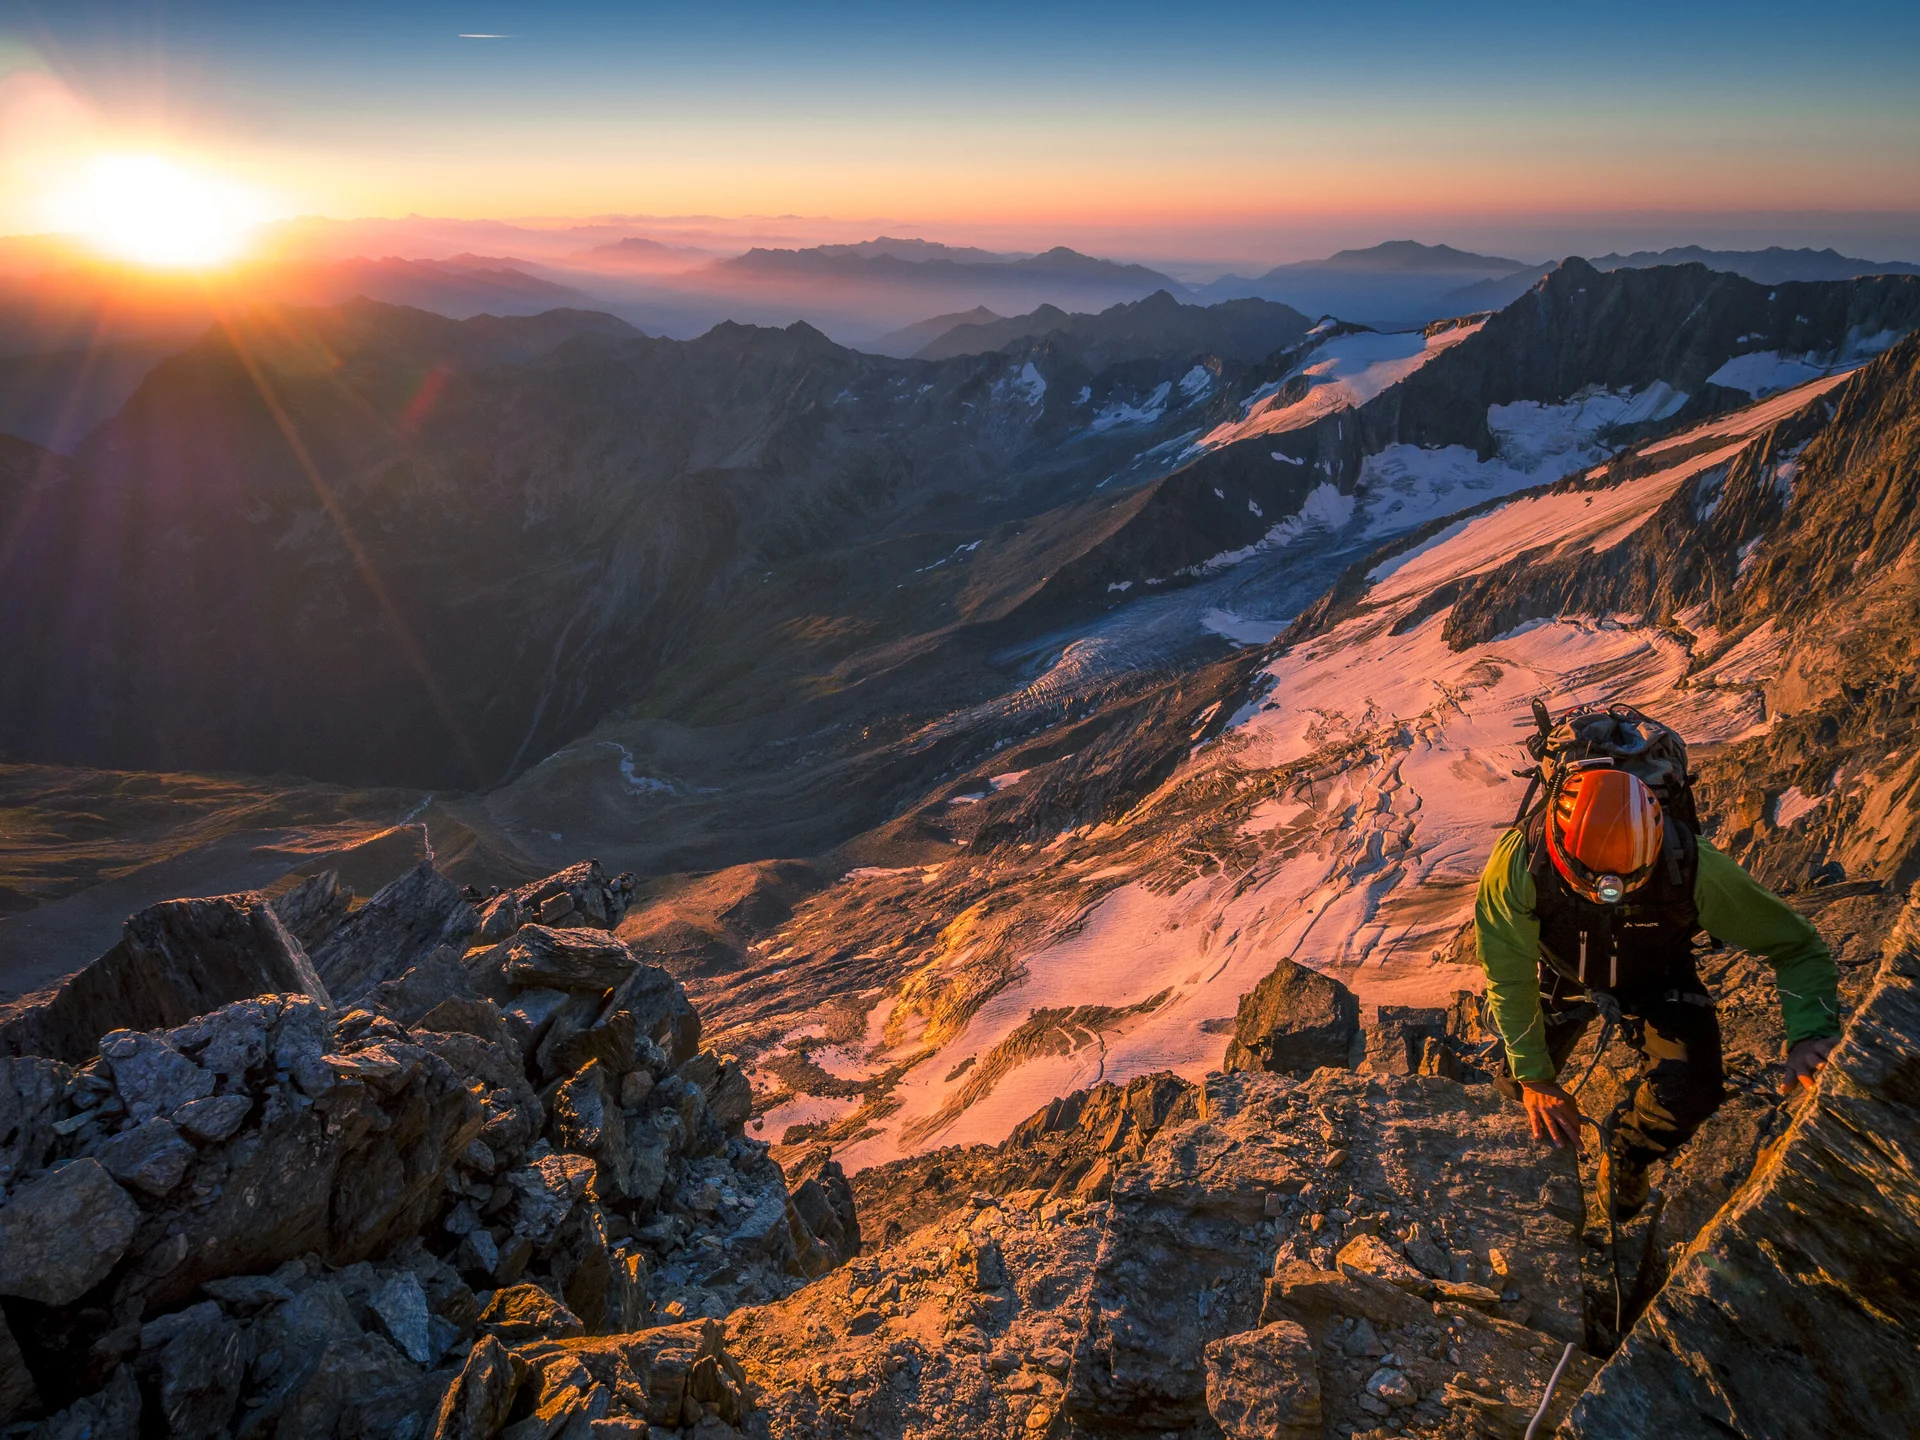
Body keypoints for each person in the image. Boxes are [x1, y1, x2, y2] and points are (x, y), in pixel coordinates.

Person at [1475, 762, 1842, 1216]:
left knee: (1690, 1092)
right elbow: (1508, 977)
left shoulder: (1696, 866)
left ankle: (1626, 1154)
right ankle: (1519, 1205)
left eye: (1630, 883)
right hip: (1562, 972)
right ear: (1556, 850)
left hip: (1656, 972)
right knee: (1518, 1094)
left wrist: (1810, 1029)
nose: (1607, 894)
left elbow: (1796, 945)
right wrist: (1535, 1078)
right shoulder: (1516, 864)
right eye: (1591, 884)